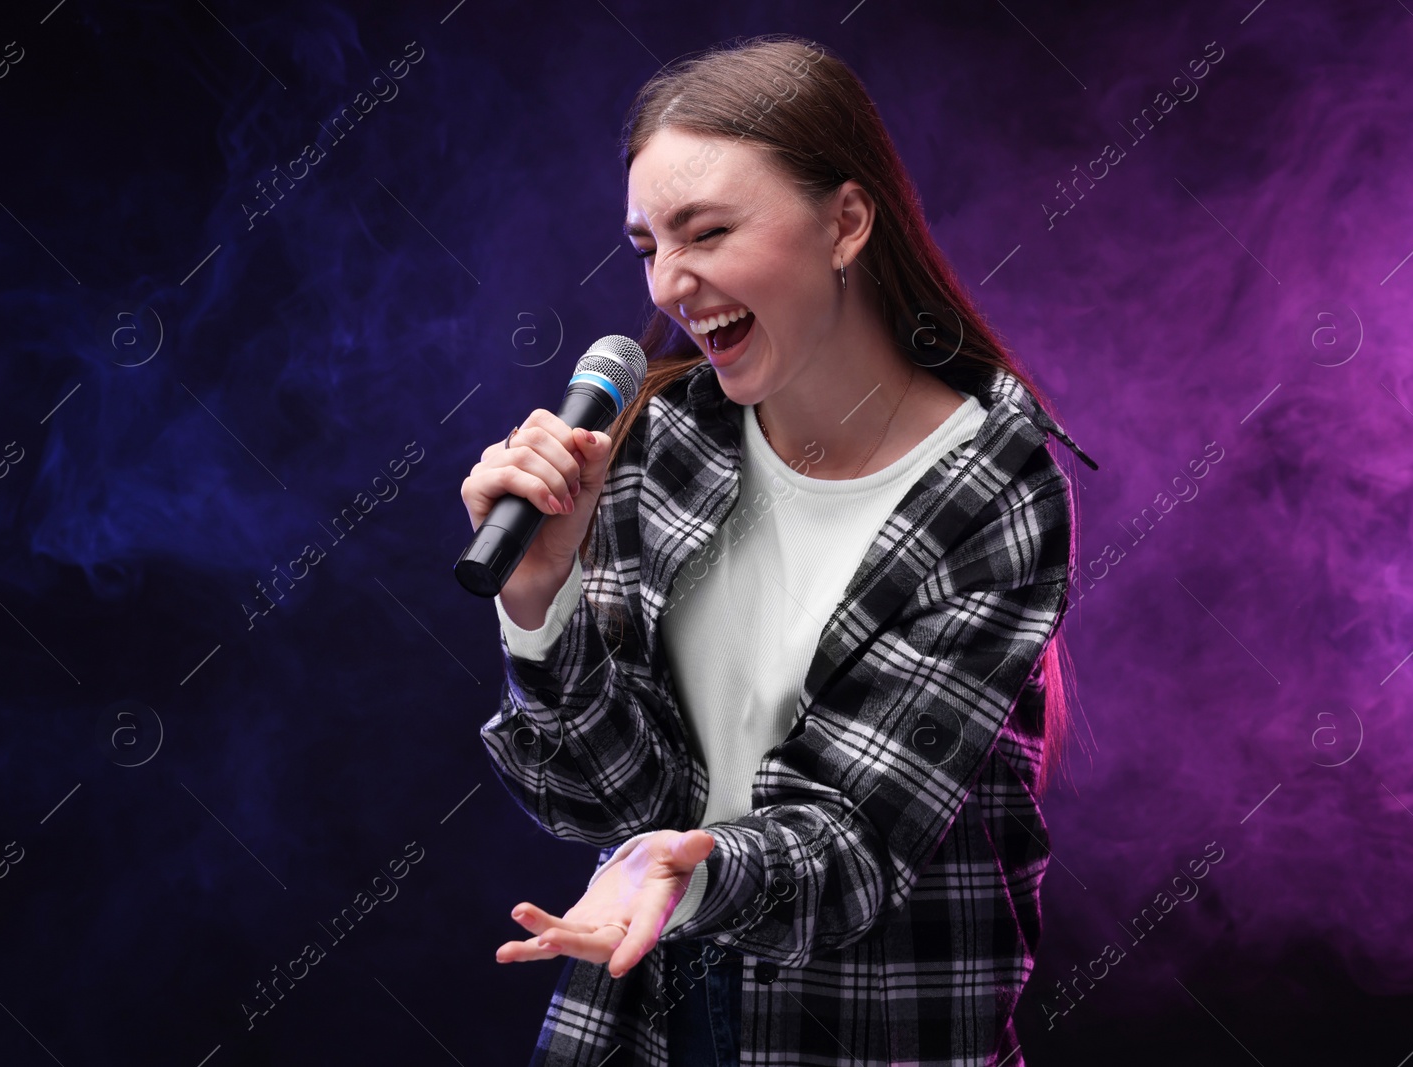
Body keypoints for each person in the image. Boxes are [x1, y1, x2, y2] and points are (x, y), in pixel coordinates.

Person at [462, 34, 1096, 1067]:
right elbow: (602, 798)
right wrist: (540, 602)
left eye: (706, 232)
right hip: (645, 1022)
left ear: (845, 221)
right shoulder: (660, 442)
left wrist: (690, 866)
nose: (669, 283)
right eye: (646, 246)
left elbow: (850, 843)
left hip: (866, 1031)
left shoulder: (993, 490)